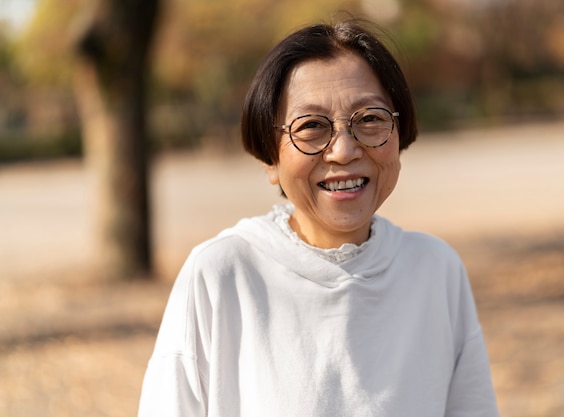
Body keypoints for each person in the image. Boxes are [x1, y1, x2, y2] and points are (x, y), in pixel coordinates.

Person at [138, 18, 499, 417]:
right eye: (310, 126)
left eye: (370, 119)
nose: (343, 150)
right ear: (270, 158)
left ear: (400, 134)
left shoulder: (436, 270)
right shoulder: (222, 274)